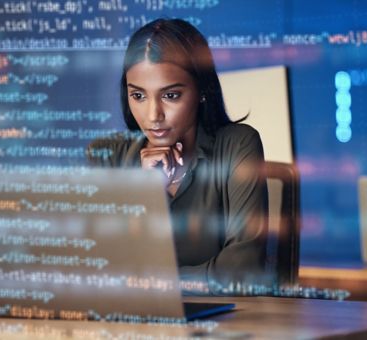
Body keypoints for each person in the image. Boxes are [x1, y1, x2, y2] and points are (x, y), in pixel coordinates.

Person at [87, 18, 271, 292]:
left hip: (222, 324)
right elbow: (96, 269)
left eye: (170, 95)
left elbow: (242, 269)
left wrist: (154, 282)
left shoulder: (238, 144)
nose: (153, 116)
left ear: (202, 91)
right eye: (138, 96)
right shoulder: (105, 156)